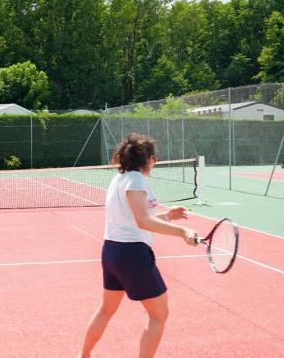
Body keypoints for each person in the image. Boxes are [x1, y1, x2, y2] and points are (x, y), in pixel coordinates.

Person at [80, 133, 198, 358]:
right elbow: (143, 221)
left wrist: (168, 216)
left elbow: (136, 220)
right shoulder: (135, 180)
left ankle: (83, 356)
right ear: (149, 159)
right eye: (154, 159)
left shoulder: (120, 178)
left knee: (107, 309)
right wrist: (183, 232)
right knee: (159, 316)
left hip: (112, 252)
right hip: (132, 255)